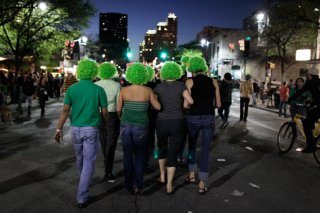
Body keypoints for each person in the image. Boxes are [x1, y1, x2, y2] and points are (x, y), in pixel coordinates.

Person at [54, 59, 109, 208]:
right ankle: (82, 195)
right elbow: (104, 112)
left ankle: (83, 181)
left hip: (75, 129)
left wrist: (58, 129)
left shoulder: (72, 89)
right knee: (89, 161)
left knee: (79, 158)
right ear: (93, 72)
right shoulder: (98, 90)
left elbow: (65, 110)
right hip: (90, 129)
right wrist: (107, 123)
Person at [117, 63, 161, 195]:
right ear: (144, 75)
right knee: (140, 155)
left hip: (125, 125)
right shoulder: (147, 90)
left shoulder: (124, 90)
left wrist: (122, 117)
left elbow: (118, 110)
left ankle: (128, 185)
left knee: (127, 155)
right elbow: (158, 107)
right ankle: (138, 185)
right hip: (141, 126)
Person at [154, 61, 193, 194]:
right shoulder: (181, 86)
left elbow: (155, 104)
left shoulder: (158, 87)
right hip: (178, 121)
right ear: (177, 72)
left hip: (162, 121)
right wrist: (183, 106)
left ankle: (162, 176)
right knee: (173, 152)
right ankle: (169, 185)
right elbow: (191, 101)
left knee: (162, 148)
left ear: (164, 73)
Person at [185, 56, 221, 194]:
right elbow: (218, 104)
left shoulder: (189, 82)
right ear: (204, 67)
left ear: (192, 68)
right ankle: (202, 182)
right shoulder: (213, 81)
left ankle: (192, 173)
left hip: (193, 117)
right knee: (205, 150)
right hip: (209, 117)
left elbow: (187, 103)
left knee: (192, 145)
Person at [95, 62, 121, 182]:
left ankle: (107, 165)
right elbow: (119, 104)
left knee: (103, 141)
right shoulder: (116, 85)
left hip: (99, 115)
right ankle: (108, 171)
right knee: (111, 144)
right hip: (112, 115)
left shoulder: (96, 85)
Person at [288, 67, 320, 153]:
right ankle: (312, 129)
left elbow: (300, 92)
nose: (306, 76)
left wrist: (290, 99)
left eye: (307, 75)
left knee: (306, 123)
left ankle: (311, 146)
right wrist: (312, 103)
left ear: (310, 75)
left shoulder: (310, 83)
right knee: (310, 114)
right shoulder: (318, 81)